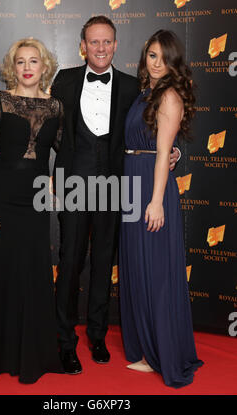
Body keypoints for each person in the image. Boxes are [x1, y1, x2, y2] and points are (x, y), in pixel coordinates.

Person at [51, 16, 180, 374]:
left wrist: (174, 154)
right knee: (71, 260)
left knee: (104, 263)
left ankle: (96, 334)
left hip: (115, 188)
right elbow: (48, 128)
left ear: (116, 44)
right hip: (74, 186)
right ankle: (64, 341)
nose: (101, 48)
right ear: (83, 45)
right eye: (94, 42)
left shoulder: (131, 87)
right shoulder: (64, 80)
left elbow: (154, 129)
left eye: (107, 42)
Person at [0, 38, 64, 383]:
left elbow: (67, 153)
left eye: (34, 61)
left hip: (35, 201)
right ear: (12, 68)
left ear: (44, 66)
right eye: (21, 62)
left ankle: (29, 353)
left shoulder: (56, 108)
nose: (28, 67)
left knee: (29, 273)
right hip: (1, 197)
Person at [119, 30, 203, 388]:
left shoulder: (168, 96)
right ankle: (144, 350)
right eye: (151, 55)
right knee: (137, 268)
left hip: (151, 190)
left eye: (163, 58)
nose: (156, 63)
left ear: (174, 63)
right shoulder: (144, 94)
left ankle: (162, 354)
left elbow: (162, 151)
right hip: (131, 184)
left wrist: (155, 201)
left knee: (156, 272)